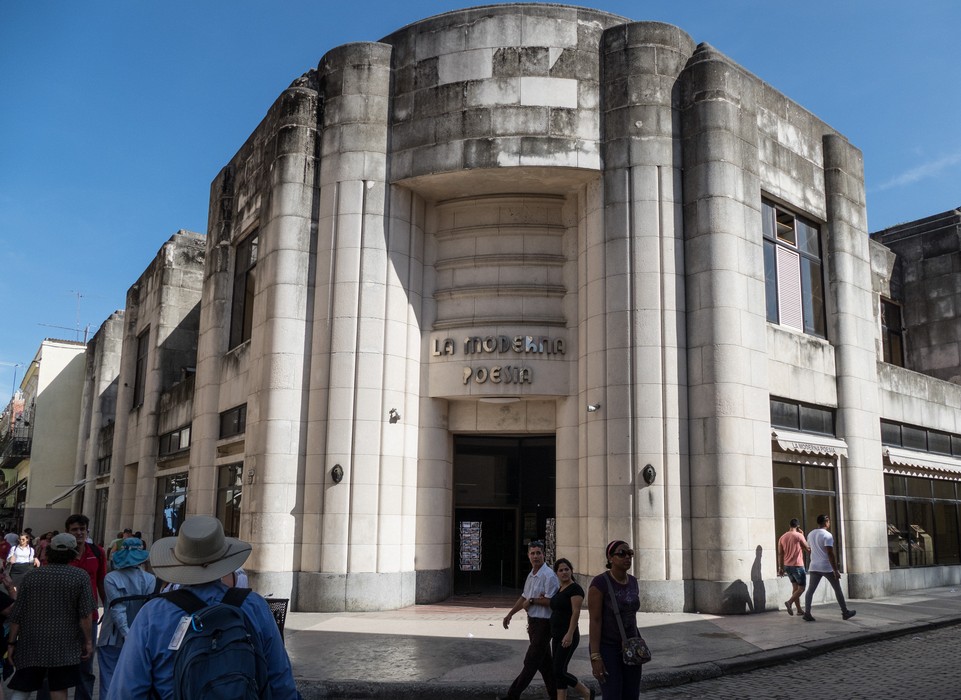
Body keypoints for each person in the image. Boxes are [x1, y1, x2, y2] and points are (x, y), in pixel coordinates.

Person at [106, 515, 300, 699]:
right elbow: (281, 683)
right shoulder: (254, 606)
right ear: (224, 560)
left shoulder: (153, 614)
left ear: (179, 562)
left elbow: (126, 691)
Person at [5, 532, 94, 700]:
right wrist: (88, 641)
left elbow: (17, 613)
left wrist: (11, 642)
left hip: (31, 643)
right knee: (58, 688)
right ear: (72, 553)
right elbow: (85, 615)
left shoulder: (31, 576)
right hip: (65, 645)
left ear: (50, 551)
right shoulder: (80, 576)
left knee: (23, 687)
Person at [42, 514, 106, 700]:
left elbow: (101, 582)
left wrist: (107, 607)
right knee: (51, 665)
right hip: (60, 617)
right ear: (67, 531)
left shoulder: (97, 552)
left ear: (87, 531)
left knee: (86, 666)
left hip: (90, 616)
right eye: (74, 529)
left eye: (82, 529)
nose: (79, 533)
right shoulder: (58, 554)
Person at [98, 537, 157, 699]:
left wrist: (126, 633)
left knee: (109, 681)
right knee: (133, 682)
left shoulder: (111, 578)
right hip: (139, 637)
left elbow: (117, 608)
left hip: (112, 638)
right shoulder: (150, 579)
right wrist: (133, 636)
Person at [500, 539, 559, 700]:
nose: (535, 556)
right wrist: (510, 614)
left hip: (544, 624)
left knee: (530, 662)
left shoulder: (549, 576)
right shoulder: (531, 575)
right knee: (545, 664)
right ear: (528, 555)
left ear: (544, 555)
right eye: (532, 553)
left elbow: (551, 601)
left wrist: (533, 601)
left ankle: (512, 695)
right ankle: (556, 695)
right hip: (532, 623)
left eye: (538, 553)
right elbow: (524, 597)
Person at [588, 540, 642, 700]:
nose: (627, 557)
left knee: (631, 694)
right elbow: (595, 620)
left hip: (631, 645)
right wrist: (595, 656)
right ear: (610, 558)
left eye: (630, 553)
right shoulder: (599, 584)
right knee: (612, 694)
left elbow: (632, 615)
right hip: (608, 647)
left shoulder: (633, 581)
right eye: (622, 553)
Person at [549, 558, 593, 700]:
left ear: (571, 571)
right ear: (556, 573)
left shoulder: (575, 589)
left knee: (558, 671)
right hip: (556, 635)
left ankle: (586, 692)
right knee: (560, 670)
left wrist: (569, 634)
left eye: (566, 569)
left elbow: (576, 612)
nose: (564, 572)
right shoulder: (560, 589)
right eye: (561, 570)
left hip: (568, 635)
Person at [803, 514, 856, 622]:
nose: (829, 523)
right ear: (826, 522)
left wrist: (814, 555)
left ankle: (807, 613)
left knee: (810, 590)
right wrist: (835, 570)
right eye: (829, 521)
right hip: (826, 567)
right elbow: (830, 553)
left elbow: (808, 548)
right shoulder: (827, 535)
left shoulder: (811, 534)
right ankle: (845, 612)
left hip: (814, 566)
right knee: (837, 589)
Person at [777, 518, 811, 615]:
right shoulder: (799, 535)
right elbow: (808, 549)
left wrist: (780, 568)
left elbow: (780, 554)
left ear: (789, 525)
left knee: (795, 588)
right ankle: (789, 602)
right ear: (798, 526)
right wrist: (802, 536)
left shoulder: (782, 537)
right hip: (797, 566)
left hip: (787, 566)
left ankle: (799, 610)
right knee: (802, 588)